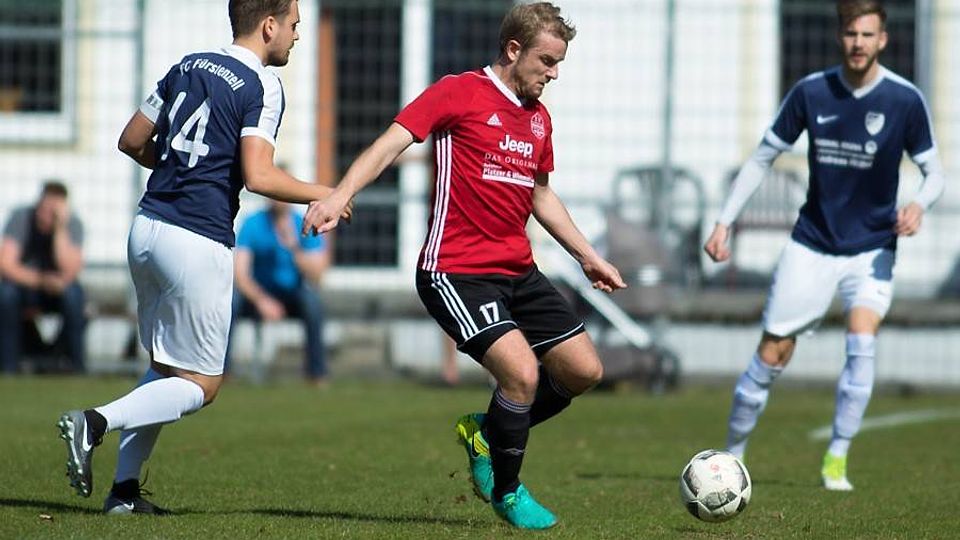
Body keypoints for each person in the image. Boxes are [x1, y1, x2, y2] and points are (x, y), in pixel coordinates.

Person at [301, 2, 626, 529]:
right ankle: (508, 492)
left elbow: (540, 195)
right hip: (454, 271)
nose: (554, 74)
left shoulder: (539, 119)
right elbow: (390, 142)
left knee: (582, 370)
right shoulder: (458, 92)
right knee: (521, 374)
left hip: (517, 271)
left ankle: (487, 431)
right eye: (547, 61)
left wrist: (588, 257)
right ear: (513, 50)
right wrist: (340, 194)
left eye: (559, 63)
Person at [56, 0, 348, 514]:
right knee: (202, 386)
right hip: (197, 240)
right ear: (270, 25)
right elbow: (258, 175)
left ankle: (124, 494)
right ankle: (95, 422)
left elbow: (131, 140)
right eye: (295, 24)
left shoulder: (186, 65)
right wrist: (326, 192)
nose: (298, 35)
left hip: (147, 229)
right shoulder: (262, 84)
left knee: (166, 370)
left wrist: (177, 169)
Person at [703, 0, 945, 492]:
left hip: (872, 248)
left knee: (861, 342)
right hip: (812, 244)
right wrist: (724, 221)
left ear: (883, 40)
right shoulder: (812, 92)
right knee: (773, 352)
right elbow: (763, 157)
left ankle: (837, 457)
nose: (858, 43)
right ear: (840, 37)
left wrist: (919, 204)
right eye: (851, 33)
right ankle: (731, 455)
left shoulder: (904, 100)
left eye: (867, 34)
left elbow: (935, 172)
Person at [227, 198, 330, 385]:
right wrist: (262, 300)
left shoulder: (304, 224)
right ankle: (222, 372)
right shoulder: (253, 223)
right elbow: (240, 274)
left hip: (292, 294)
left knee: (313, 303)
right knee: (231, 303)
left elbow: (317, 276)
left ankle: (316, 374)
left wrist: (294, 247)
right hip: (258, 294)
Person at [0, 181, 85, 374]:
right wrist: (40, 280)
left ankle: (76, 366)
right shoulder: (21, 218)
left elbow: (70, 270)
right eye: (45, 208)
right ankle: (8, 367)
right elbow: (6, 264)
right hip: (26, 286)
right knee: (6, 294)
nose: (47, 215)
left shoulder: (73, 224)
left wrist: (60, 229)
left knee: (74, 295)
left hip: (57, 290)